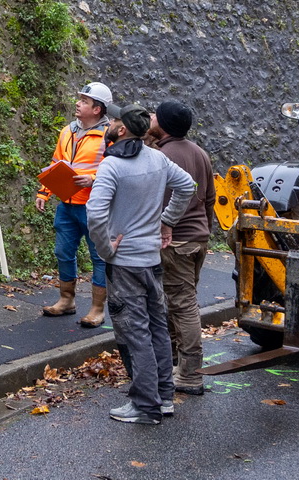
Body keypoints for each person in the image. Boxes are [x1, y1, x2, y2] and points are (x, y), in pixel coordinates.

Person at [88, 104, 196, 425]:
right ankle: (163, 398)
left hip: (124, 264)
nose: (110, 122)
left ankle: (145, 405)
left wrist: (106, 248)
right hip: (151, 260)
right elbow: (188, 186)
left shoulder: (112, 166)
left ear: (121, 130)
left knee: (135, 333)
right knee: (158, 329)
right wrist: (167, 222)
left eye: (115, 120)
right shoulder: (157, 158)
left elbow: (95, 214)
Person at [149, 101, 216, 396]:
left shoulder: (162, 157)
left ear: (162, 124)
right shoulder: (199, 153)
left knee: (183, 304)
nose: (150, 117)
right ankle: (174, 360)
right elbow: (211, 198)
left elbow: (153, 203)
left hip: (174, 241)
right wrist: (205, 233)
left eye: (154, 114)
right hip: (197, 239)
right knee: (179, 301)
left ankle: (189, 374)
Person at [36, 81, 113, 327]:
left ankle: (97, 309)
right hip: (67, 205)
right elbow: (56, 163)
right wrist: (44, 192)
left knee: (99, 257)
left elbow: (117, 170)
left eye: (84, 101)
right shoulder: (67, 131)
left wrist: (91, 179)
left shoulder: (109, 135)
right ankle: (66, 300)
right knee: (63, 252)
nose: (78, 104)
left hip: (96, 207)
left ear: (97, 109)